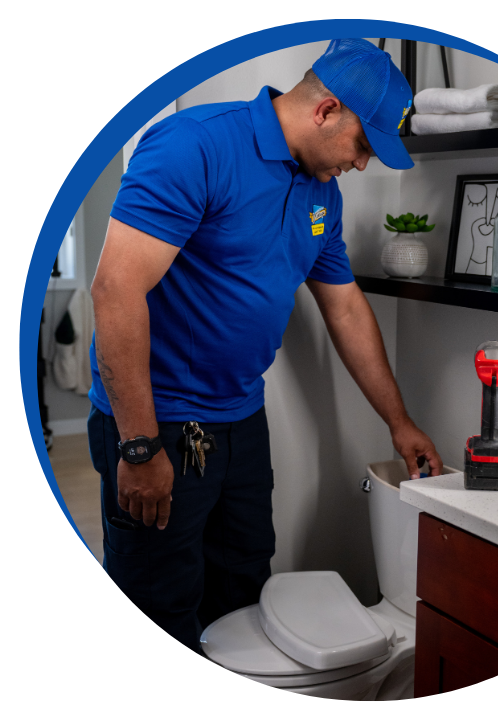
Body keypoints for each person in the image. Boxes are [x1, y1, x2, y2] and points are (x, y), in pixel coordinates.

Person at [87, 38, 442, 651]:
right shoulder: (195, 146)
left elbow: (346, 309)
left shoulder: (321, 195)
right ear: (326, 111)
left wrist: (399, 421)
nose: (362, 165)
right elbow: (115, 292)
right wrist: (141, 447)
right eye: (363, 146)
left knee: (248, 598)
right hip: (160, 420)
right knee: (158, 607)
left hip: (240, 423)